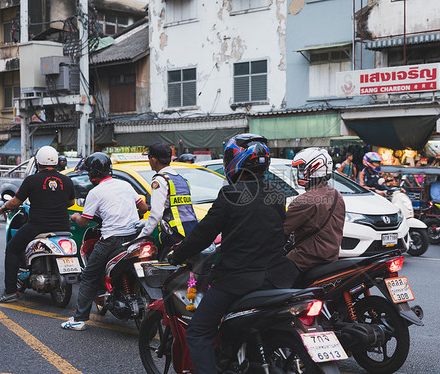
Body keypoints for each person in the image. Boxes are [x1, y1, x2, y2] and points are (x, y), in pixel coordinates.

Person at [167, 133, 298, 374]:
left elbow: (203, 234)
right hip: (275, 278)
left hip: (237, 280)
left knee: (198, 332)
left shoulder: (230, 194)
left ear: (236, 159)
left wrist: (177, 255)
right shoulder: (277, 193)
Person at [61, 152, 148, 330]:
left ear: (93, 173)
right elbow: (144, 207)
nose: (87, 176)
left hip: (111, 240)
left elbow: (85, 221)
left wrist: (76, 217)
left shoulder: (96, 192)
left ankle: (78, 320)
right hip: (134, 237)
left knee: (88, 276)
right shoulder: (125, 185)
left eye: (88, 173)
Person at [0, 146, 75, 303]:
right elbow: (71, 202)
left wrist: (4, 207)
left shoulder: (32, 180)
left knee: (12, 249)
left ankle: (10, 291)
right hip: (62, 227)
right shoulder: (67, 181)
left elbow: (16, 202)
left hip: (37, 226)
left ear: (38, 162)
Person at [285, 148, 345, 274]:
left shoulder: (305, 200)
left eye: (301, 169)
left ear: (312, 169)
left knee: (268, 281)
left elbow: (281, 229)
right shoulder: (336, 195)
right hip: (331, 258)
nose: (298, 173)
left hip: (305, 260)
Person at [139, 143, 198, 256]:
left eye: (149, 158)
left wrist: (141, 237)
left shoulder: (159, 180)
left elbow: (156, 214)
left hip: (172, 237)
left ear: (154, 160)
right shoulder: (182, 179)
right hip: (190, 233)